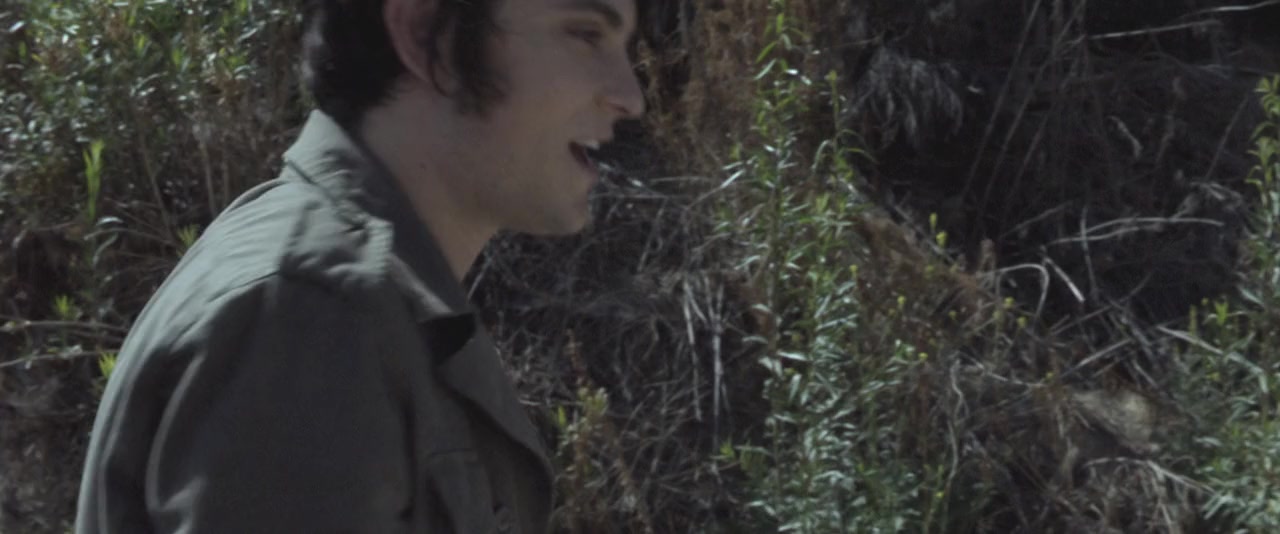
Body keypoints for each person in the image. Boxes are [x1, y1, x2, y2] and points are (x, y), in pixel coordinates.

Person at [74, 0, 644, 531]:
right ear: (426, 34)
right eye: (584, 33)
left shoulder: (352, 303)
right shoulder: (311, 316)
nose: (630, 96)